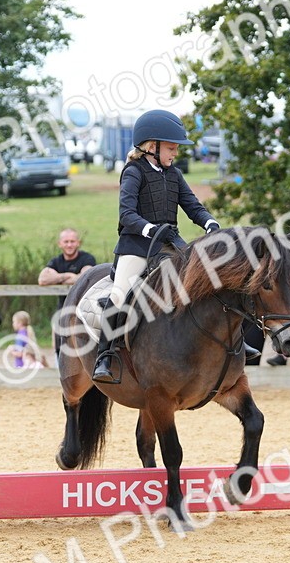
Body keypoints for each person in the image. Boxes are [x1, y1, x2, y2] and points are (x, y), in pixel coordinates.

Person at [92, 109, 224, 382]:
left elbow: (192, 205)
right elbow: (126, 214)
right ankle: (104, 356)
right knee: (119, 294)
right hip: (136, 246)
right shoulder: (133, 171)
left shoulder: (173, 173)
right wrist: (149, 228)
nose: (175, 153)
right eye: (172, 148)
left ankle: (222, 345)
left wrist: (209, 223)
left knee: (207, 281)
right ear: (152, 147)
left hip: (168, 244)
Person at [37, 228, 96, 300]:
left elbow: (86, 278)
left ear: (78, 243)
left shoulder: (87, 259)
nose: (69, 245)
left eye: (72, 241)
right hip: (62, 308)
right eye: (66, 242)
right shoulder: (56, 261)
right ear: (59, 244)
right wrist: (67, 276)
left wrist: (57, 279)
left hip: (83, 307)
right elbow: (42, 280)